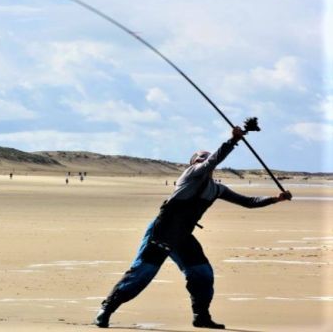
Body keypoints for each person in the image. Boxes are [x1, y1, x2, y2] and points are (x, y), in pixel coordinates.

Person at [94, 126, 292, 329]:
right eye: (200, 159)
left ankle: (201, 317)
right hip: (162, 231)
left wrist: (276, 199)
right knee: (141, 274)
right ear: (193, 164)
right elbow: (212, 161)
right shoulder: (190, 174)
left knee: (203, 275)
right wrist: (233, 141)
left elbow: (249, 202)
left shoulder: (217, 189)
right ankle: (106, 310)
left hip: (183, 236)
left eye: (205, 158)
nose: (204, 161)